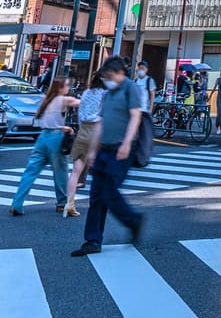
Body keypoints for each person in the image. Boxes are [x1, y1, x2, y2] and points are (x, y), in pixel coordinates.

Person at [70, 57, 146, 257]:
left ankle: (133, 220)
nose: (107, 80)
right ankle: (92, 240)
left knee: (109, 192)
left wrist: (127, 142)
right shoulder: (109, 93)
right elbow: (101, 122)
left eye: (109, 76)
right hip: (104, 148)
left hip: (120, 149)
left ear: (119, 73)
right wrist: (94, 150)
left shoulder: (131, 88)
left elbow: (135, 116)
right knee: (97, 195)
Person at [11, 78, 77, 214]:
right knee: (60, 172)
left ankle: (16, 204)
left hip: (42, 137)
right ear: (60, 88)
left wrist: (62, 127)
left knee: (30, 172)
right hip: (56, 138)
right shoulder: (63, 100)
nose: (68, 88)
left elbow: (48, 121)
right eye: (66, 85)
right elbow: (79, 103)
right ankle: (62, 203)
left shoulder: (46, 101)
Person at [61, 74, 107, 218]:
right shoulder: (106, 95)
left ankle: (69, 203)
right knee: (103, 170)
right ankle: (101, 205)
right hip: (97, 129)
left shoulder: (86, 93)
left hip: (84, 130)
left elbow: (80, 113)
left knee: (76, 171)